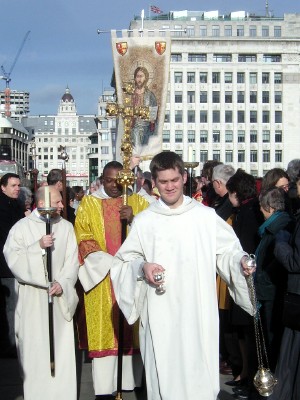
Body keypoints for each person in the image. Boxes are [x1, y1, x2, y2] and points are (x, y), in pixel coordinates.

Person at [110, 151, 253, 400]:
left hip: (197, 314)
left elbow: (227, 252)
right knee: (164, 376)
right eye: (163, 182)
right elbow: (124, 262)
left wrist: (240, 261)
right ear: (154, 182)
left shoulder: (205, 217)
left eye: (174, 180)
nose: (170, 186)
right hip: (160, 314)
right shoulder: (145, 221)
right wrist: (142, 267)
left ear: (184, 177)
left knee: (198, 378)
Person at [74, 161, 149, 397]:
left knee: (133, 329)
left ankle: (132, 383)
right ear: (101, 179)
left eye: (119, 180)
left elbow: (153, 233)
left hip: (132, 275)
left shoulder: (138, 202)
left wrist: (135, 218)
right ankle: (106, 389)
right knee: (105, 330)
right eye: (108, 180)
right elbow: (83, 237)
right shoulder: (89, 203)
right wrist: (109, 262)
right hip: (103, 276)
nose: (114, 185)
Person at [3, 186, 79, 400]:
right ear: (42, 202)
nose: (62, 205)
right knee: (35, 349)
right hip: (32, 298)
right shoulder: (22, 227)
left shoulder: (65, 227)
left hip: (58, 297)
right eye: (57, 202)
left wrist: (63, 283)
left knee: (60, 351)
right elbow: (13, 259)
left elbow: (72, 261)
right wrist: (37, 247)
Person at [226, 169, 264, 400]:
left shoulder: (248, 213)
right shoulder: (247, 210)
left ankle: (251, 380)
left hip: (248, 278)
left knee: (250, 334)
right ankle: (247, 376)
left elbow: (242, 245)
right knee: (244, 332)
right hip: (245, 276)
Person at [255, 187, 293, 370]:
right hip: (268, 288)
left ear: (269, 207)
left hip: (271, 291)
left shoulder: (277, 229)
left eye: (262, 207)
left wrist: (260, 277)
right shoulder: (272, 227)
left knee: (271, 339)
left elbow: (275, 263)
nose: (260, 212)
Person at [0, 173, 24, 358]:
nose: (17, 188)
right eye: (13, 185)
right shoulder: (3, 207)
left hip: (13, 264)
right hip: (5, 266)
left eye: (18, 185)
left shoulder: (16, 204)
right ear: (3, 187)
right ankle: (10, 344)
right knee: (10, 307)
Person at [131, 66, 158, 154]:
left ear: (145, 78)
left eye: (141, 76)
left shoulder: (150, 95)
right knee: (136, 149)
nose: (139, 79)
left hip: (146, 127)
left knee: (145, 150)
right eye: (137, 76)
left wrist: (151, 120)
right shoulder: (131, 94)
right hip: (134, 126)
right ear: (135, 78)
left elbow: (154, 112)